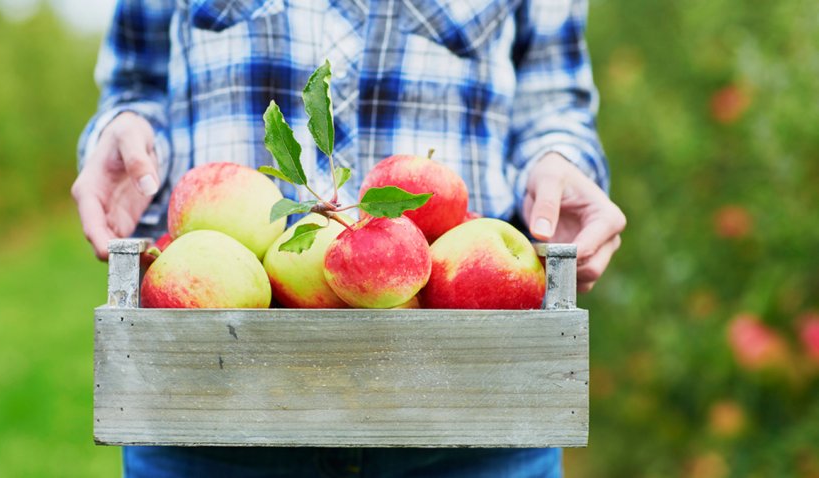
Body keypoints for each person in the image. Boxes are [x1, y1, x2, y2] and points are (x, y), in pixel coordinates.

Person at [73, 0, 626, 476]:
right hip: (207, 407)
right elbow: (137, 82)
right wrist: (124, 131)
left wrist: (561, 163)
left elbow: (553, 100)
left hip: (474, 407)